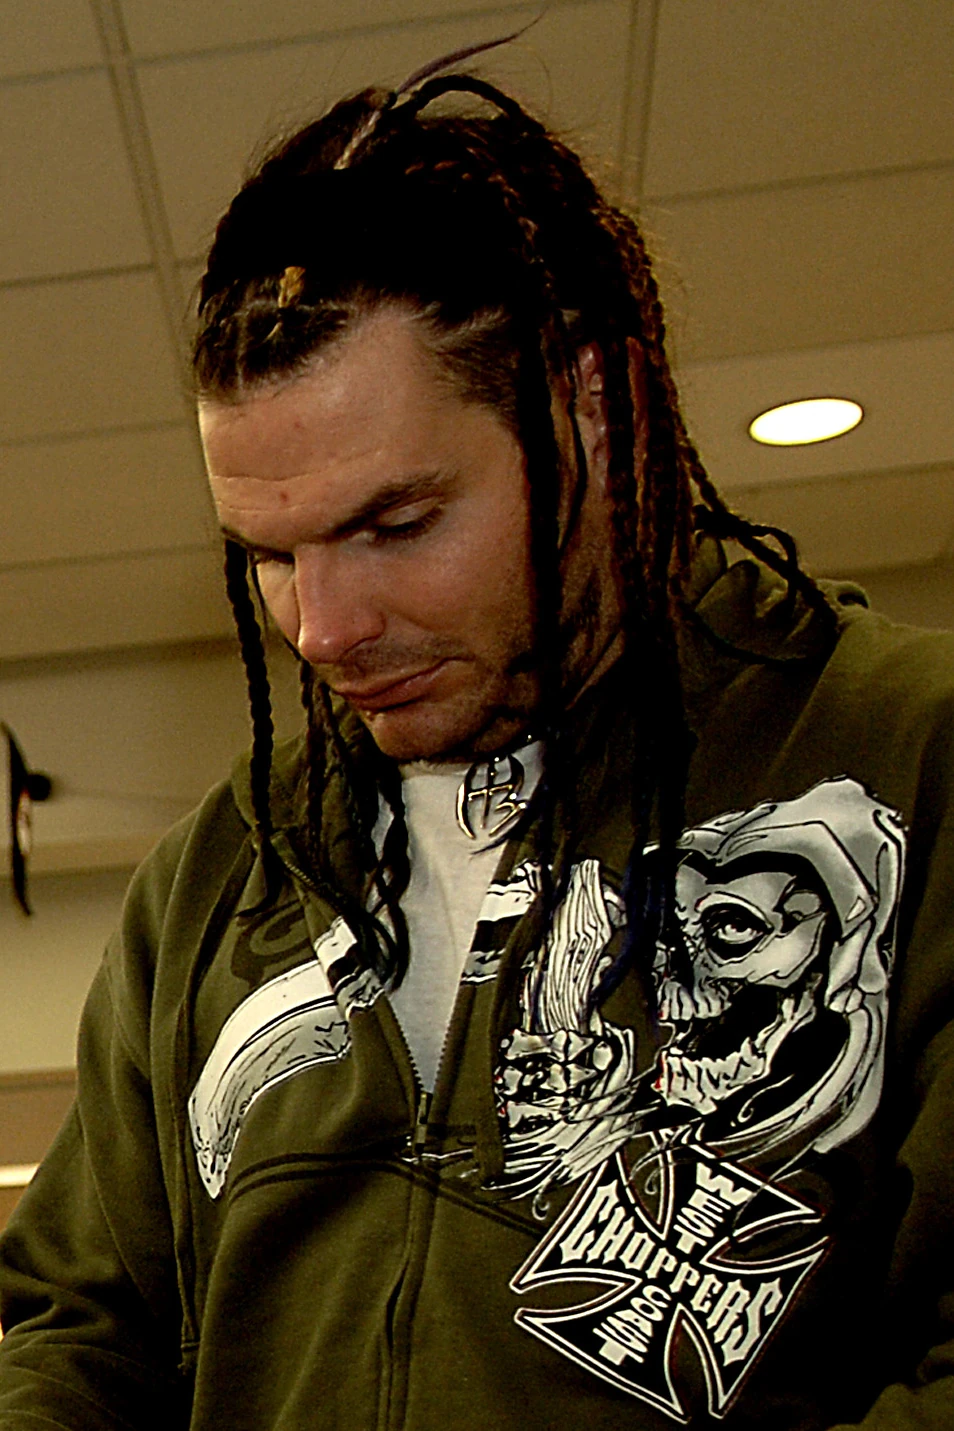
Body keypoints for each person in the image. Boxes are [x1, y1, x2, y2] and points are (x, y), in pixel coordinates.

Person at [0, 55, 952, 1431]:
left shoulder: (910, 758)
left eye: (396, 524)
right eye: (267, 553)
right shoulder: (220, 879)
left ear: (591, 409)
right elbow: (80, 1335)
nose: (322, 627)